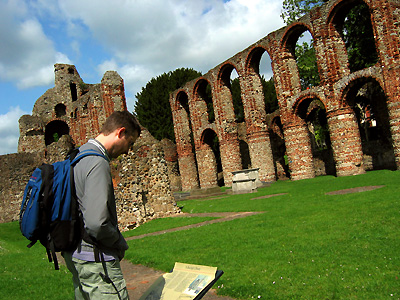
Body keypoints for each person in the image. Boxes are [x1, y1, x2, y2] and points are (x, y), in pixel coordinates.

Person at [63, 110, 141, 300]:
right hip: (97, 261)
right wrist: (118, 242)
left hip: (76, 255)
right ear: (120, 132)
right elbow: (97, 223)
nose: (128, 151)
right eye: (130, 143)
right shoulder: (97, 162)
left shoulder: (77, 155)